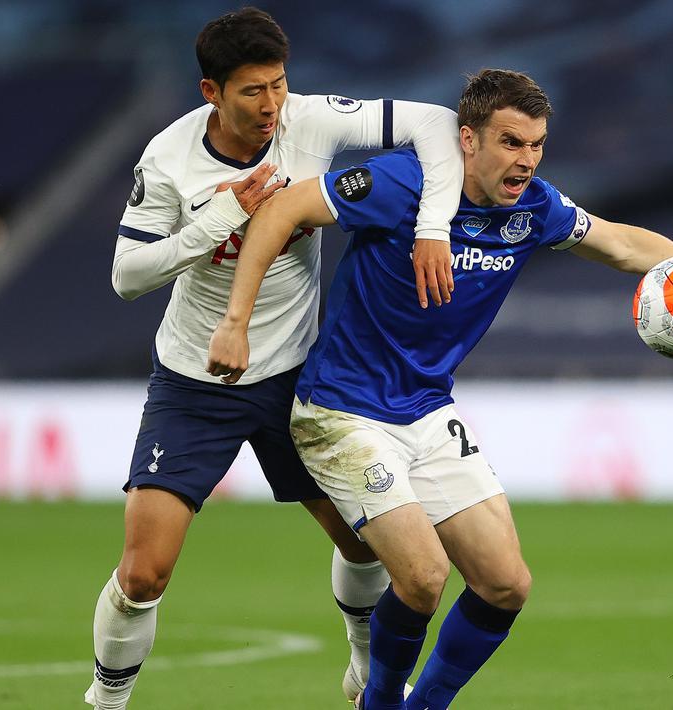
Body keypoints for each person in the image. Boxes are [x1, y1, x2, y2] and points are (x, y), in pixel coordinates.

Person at [206, 68, 673, 710]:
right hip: (342, 411)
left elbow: (622, 244)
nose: (526, 160)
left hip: (426, 410)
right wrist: (236, 321)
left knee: (505, 584)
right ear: (467, 140)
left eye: (537, 144)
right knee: (423, 577)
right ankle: (379, 701)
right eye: (511, 142)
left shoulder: (533, 206)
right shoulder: (402, 183)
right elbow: (284, 209)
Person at [87, 7, 463, 708]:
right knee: (143, 575)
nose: (271, 106)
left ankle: (360, 670)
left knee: (364, 544)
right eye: (251, 92)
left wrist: (432, 228)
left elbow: (438, 122)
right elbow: (127, 276)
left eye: (278, 85)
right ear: (210, 92)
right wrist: (221, 216)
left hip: (299, 378)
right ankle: (106, 702)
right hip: (196, 381)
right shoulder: (168, 159)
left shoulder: (307, 121)